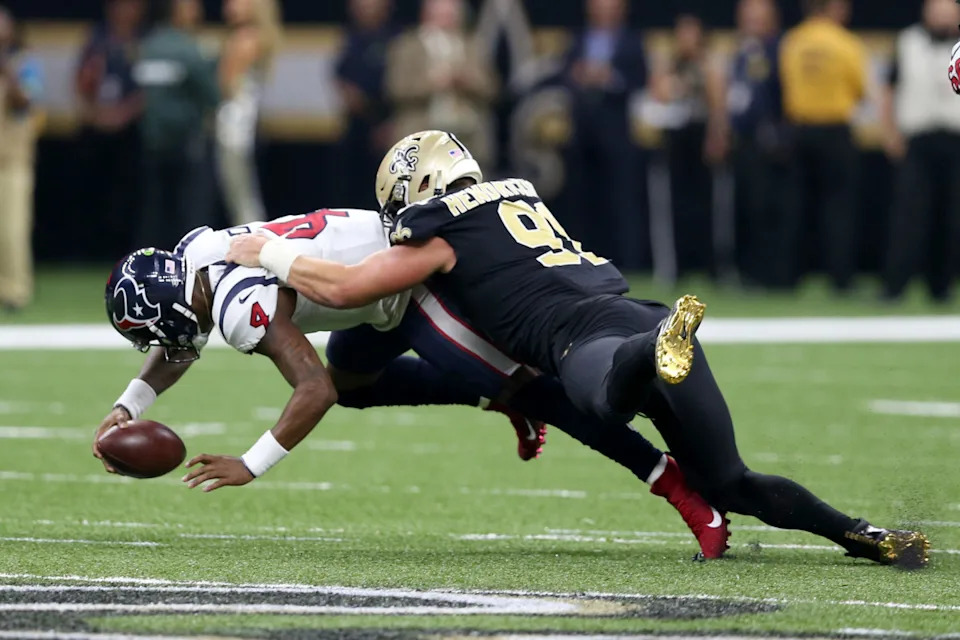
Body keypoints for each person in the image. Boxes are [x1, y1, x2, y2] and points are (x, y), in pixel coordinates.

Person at [227, 130, 929, 567]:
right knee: (730, 483)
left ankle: (657, 348)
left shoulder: (441, 232)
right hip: (632, 312)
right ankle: (865, 535)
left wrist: (272, 254)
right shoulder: (513, 194)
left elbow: (351, 288)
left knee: (599, 401)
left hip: (590, 339)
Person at [94, 208, 729, 561]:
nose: (161, 347)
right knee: (359, 383)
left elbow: (310, 391)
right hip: (367, 299)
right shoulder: (196, 253)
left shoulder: (234, 301)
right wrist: (128, 405)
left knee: (539, 393)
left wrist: (250, 465)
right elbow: (177, 349)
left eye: (154, 332)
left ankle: (675, 485)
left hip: (409, 288)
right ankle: (496, 395)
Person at [778, 0, 867, 291]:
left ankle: (790, 276)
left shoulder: (792, 41)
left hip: (800, 130)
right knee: (838, 208)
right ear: (834, 8)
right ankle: (840, 278)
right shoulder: (846, 43)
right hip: (834, 131)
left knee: (796, 206)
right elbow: (860, 88)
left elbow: (785, 83)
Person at [560, 0, 646, 268]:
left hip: (617, 130)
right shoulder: (576, 39)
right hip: (581, 130)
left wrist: (609, 77)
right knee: (582, 198)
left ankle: (626, 261)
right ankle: (582, 258)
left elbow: (640, 80)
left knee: (620, 200)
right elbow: (561, 76)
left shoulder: (632, 41)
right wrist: (579, 75)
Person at [884, 0, 960, 303]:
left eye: (948, 13)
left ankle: (941, 287)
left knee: (953, 217)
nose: (942, 18)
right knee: (908, 217)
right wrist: (890, 132)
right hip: (917, 141)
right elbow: (888, 88)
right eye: (937, 12)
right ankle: (894, 286)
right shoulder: (907, 42)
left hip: (956, 140)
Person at [134, 0, 219, 250]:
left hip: (151, 143)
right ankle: (191, 267)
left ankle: (145, 268)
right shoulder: (189, 49)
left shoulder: (147, 46)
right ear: (177, 11)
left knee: (153, 214)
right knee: (191, 215)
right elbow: (212, 96)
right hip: (186, 144)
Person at [650, 14, 727, 277]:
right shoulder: (671, 64)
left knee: (706, 204)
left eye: (691, 33)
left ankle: (711, 265)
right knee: (676, 204)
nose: (686, 39)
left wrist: (717, 137)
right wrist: (669, 79)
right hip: (676, 136)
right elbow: (657, 95)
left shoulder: (708, 63)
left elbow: (718, 105)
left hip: (700, 135)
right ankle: (677, 266)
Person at [386, 0, 498, 168]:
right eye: (441, 15)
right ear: (426, 16)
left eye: (452, 15)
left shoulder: (473, 45)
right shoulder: (407, 46)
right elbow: (395, 88)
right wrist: (432, 84)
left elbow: (492, 89)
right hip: (422, 132)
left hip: (468, 135)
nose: (448, 20)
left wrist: (466, 81)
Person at [74, 0, 146, 257]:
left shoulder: (143, 42)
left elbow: (147, 91)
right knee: (92, 195)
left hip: (130, 131)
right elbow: (82, 81)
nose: (125, 11)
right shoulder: (97, 40)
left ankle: (125, 251)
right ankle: (90, 251)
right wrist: (97, 114)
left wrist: (123, 114)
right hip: (97, 128)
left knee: (128, 198)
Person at [727, 0, 786, 288]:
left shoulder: (778, 50)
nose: (751, 24)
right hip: (744, 141)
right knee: (745, 207)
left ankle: (769, 273)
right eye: (747, 18)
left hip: (769, 142)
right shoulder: (740, 51)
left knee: (766, 208)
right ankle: (747, 271)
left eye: (757, 19)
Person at [216, 0, 283, 226]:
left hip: (234, 127)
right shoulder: (260, 37)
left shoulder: (243, 39)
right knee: (244, 193)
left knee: (240, 195)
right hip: (247, 123)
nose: (228, 6)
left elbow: (224, 85)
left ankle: (253, 244)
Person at [334, 0, 397, 209]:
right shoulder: (351, 38)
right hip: (356, 127)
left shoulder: (396, 39)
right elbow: (340, 75)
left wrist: (389, 123)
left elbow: (398, 88)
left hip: (388, 126)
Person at [0, 4, 42, 312]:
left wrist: (5, 68)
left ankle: (14, 292)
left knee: (12, 230)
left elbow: (24, 102)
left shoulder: (25, 65)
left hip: (12, 161)